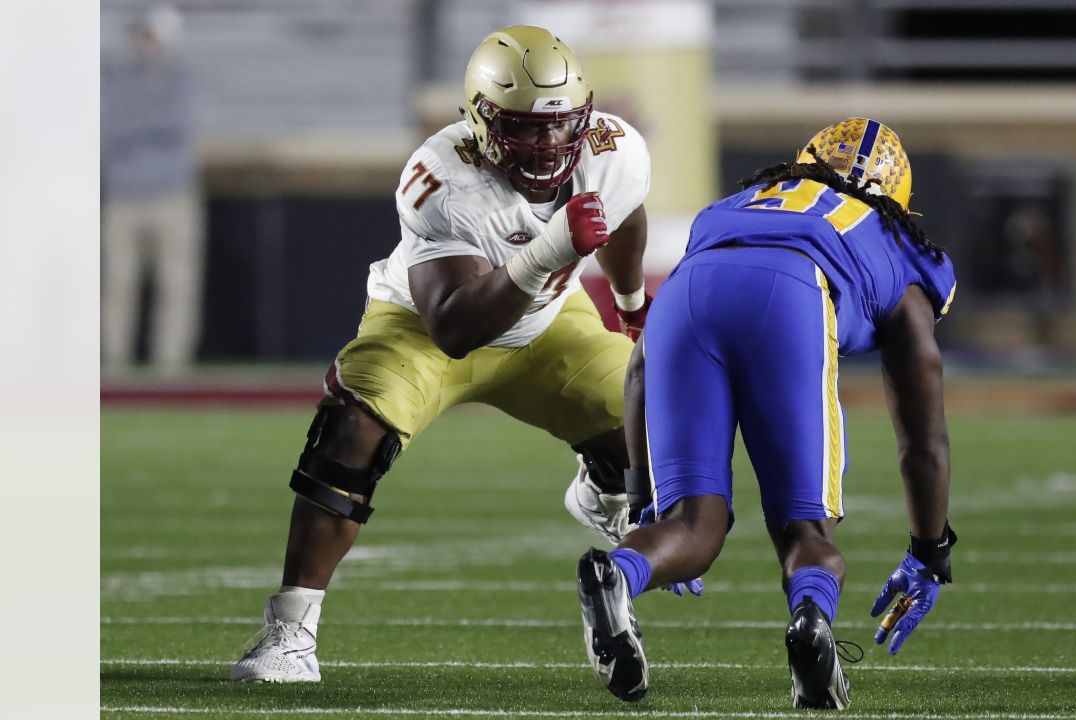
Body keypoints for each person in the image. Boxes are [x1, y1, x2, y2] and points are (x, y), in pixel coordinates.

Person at [229, 25, 690, 683]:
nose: (550, 144)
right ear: (480, 124)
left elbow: (627, 212)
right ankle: (289, 633)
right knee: (351, 430)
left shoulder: (614, 149)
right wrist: (549, 249)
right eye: (526, 128)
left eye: (561, 125)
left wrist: (629, 300)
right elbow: (456, 324)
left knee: (656, 414)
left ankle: (601, 485)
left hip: (549, 325)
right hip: (423, 327)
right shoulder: (441, 175)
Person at [574, 118, 959, 708]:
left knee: (690, 526)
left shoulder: (740, 203)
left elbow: (641, 366)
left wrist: (642, 503)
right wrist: (929, 551)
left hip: (686, 297)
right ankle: (810, 625)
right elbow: (922, 432)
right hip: (791, 294)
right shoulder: (895, 241)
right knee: (807, 532)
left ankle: (619, 576)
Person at [101, 4, 203, 373]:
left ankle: (170, 366)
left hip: (171, 193)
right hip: (125, 193)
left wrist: (135, 130)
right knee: (118, 281)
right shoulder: (116, 77)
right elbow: (112, 126)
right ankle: (115, 362)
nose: (145, 43)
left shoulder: (182, 78)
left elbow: (175, 124)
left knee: (175, 282)